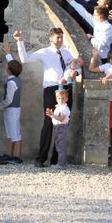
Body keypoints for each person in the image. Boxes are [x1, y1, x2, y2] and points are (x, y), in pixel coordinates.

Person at [14, 27, 78, 167]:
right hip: (51, 89)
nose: (60, 40)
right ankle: (41, 158)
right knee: (49, 122)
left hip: (66, 89)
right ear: (51, 38)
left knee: (63, 122)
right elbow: (25, 59)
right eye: (57, 37)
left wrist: (75, 72)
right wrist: (20, 41)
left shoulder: (67, 53)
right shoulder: (45, 52)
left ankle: (57, 159)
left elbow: (75, 68)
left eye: (61, 37)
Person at [89, 48, 112, 154]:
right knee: (108, 123)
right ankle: (109, 144)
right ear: (111, 60)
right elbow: (91, 69)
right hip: (108, 98)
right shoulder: (106, 66)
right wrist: (94, 57)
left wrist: (106, 77)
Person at [0, 42, 23, 164]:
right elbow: (13, 65)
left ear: (9, 70)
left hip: (12, 109)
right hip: (12, 110)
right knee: (11, 133)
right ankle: (10, 154)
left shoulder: (12, 82)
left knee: (15, 134)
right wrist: (8, 54)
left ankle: (16, 157)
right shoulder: (16, 78)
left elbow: (9, 100)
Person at [46, 88, 71, 169]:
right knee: (58, 145)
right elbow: (56, 117)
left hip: (62, 128)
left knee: (61, 146)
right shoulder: (58, 107)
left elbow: (61, 119)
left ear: (66, 99)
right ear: (56, 99)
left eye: (63, 98)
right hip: (57, 127)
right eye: (59, 98)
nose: (61, 100)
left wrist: (52, 115)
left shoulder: (64, 108)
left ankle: (61, 164)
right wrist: (51, 114)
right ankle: (63, 162)